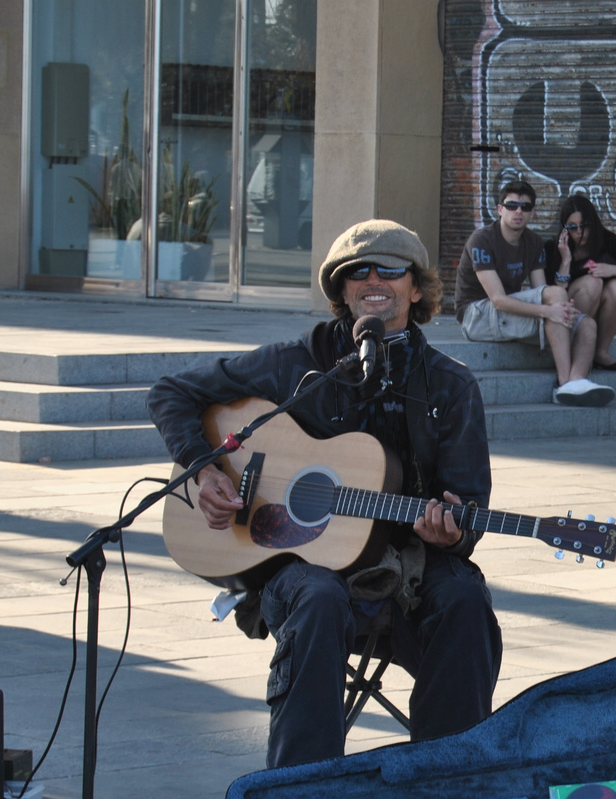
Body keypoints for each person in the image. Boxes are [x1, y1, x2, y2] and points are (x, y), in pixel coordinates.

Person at [147, 219, 502, 769]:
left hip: (409, 560)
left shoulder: (451, 386)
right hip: (295, 560)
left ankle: (446, 779)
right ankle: (298, 795)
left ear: (416, 287)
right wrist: (206, 469)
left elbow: (468, 512)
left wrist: (453, 533)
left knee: (465, 603)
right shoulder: (295, 362)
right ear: (341, 289)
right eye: (357, 271)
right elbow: (173, 392)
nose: (373, 280)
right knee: (317, 598)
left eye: (391, 269)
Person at [454, 179, 614, 408]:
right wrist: (549, 311)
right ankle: (564, 382)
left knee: (587, 324)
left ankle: (577, 381)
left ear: (532, 213)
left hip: (508, 315)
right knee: (556, 304)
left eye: (525, 207)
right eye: (511, 206)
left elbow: (542, 290)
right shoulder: (482, 240)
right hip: (476, 315)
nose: (518, 211)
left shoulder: (533, 242)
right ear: (500, 209)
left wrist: (566, 262)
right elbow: (498, 300)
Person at [544, 194, 616, 372]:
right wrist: (565, 261)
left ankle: (600, 352)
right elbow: (554, 293)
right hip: (567, 313)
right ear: (564, 227)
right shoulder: (553, 248)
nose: (579, 232)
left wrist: (615, 271)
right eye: (572, 227)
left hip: (600, 313)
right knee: (593, 283)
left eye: (584, 226)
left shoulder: (611, 243)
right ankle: (568, 347)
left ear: (593, 223)